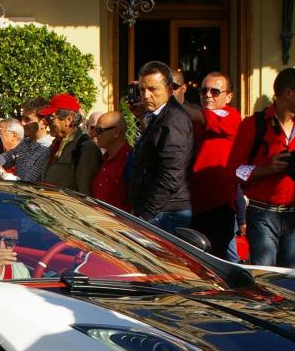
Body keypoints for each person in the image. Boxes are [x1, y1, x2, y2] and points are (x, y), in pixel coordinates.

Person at [228, 67, 295, 269]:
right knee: (266, 278)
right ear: (289, 93)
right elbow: (234, 170)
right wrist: (267, 168)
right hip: (263, 214)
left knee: (294, 280)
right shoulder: (254, 125)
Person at [128, 61, 195, 230]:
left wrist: (146, 215)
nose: (146, 95)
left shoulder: (174, 119)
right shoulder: (158, 115)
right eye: (142, 90)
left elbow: (170, 174)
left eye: (153, 89)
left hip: (165, 212)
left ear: (170, 89)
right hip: (157, 210)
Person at [189, 71, 243, 256]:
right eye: (203, 91)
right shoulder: (196, 117)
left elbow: (201, 117)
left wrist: (168, 104)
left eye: (215, 91)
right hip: (192, 203)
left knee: (216, 262)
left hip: (218, 205)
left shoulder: (232, 116)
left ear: (229, 96)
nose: (208, 95)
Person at [38, 93, 102, 194]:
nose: (46, 123)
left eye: (50, 118)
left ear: (68, 120)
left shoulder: (85, 147)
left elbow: (85, 194)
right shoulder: (55, 145)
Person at [0, 98, 53, 182]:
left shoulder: (46, 150)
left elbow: (26, 184)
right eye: (23, 118)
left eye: (27, 119)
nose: (22, 123)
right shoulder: (26, 142)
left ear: (43, 123)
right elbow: (3, 160)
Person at [90, 111, 131, 211]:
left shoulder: (130, 160)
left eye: (99, 130)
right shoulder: (104, 158)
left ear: (116, 133)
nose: (95, 134)